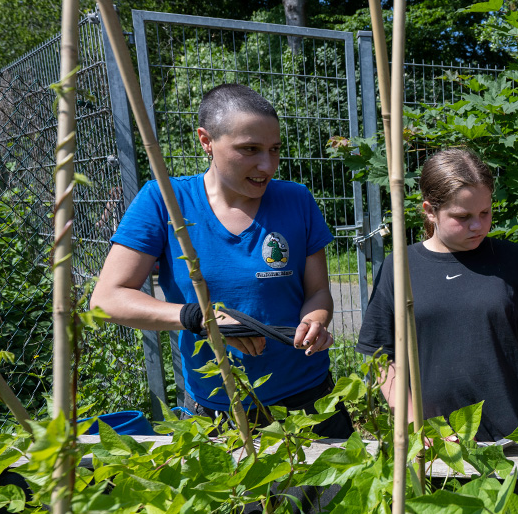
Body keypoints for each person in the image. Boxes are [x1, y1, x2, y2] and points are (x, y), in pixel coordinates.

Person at [92, 83, 353, 437]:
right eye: (250, 149)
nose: (267, 165)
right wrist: (201, 318)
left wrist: (315, 321)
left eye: (275, 149)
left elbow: (318, 291)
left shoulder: (297, 200)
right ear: (206, 141)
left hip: (309, 404)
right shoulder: (165, 201)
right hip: (218, 410)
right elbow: (107, 300)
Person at [356, 148, 518, 441]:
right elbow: (379, 357)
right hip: (439, 440)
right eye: (462, 216)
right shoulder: (401, 267)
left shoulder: (511, 259)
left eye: (485, 213)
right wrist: (415, 426)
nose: (477, 225)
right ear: (430, 211)